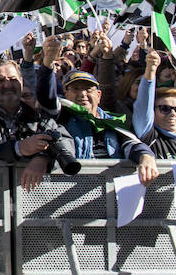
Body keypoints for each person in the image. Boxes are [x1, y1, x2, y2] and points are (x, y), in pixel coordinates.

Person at [37, 36, 158, 186]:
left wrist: (145, 156)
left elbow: (132, 144)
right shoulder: (61, 117)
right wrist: (48, 62)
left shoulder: (112, 122)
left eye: (88, 89)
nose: (82, 94)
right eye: (75, 89)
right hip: (70, 195)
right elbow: (46, 96)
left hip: (110, 198)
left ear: (99, 96)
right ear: (65, 94)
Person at [0, 59, 74, 191]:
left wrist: (44, 158)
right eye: (0, 80)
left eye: (13, 79)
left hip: (30, 203)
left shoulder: (37, 117)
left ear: (21, 82)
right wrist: (18, 148)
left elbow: (66, 142)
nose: (8, 85)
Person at [132, 50, 176, 159]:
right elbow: (143, 104)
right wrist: (150, 70)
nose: (173, 114)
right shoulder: (149, 136)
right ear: (153, 112)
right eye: (165, 108)